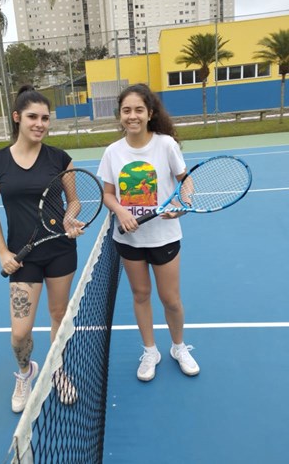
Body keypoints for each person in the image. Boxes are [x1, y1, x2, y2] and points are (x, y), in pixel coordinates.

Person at [0, 84, 82, 412]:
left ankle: (58, 371)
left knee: (58, 316)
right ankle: (25, 371)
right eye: (32, 117)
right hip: (21, 258)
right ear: (17, 118)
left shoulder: (59, 159)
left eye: (45, 118)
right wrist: (2, 251)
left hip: (59, 251)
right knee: (19, 334)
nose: (40, 123)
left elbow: (74, 201)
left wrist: (70, 219)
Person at [97, 83, 200, 381]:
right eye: (126, 110)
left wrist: (184, 202)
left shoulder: (166, 144)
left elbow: (186, 180)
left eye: (138, 110)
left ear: (150, 113)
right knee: (140, 295)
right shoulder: (112, 152)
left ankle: (178, 347)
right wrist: (120, 211)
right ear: (120, 115)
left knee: (170, 299)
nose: (132, 116)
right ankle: (150, 350)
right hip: (129, 239)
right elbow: (107, 194)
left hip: (164, 236)